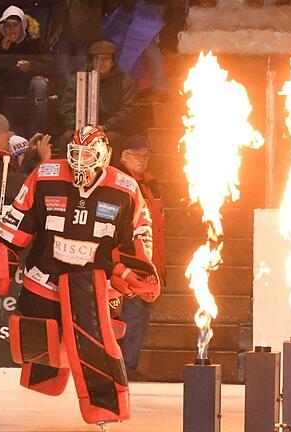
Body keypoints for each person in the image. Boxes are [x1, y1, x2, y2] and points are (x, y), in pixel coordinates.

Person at [0, 125, 161, 426]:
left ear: (103, 156)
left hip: (95, 282)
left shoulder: (126, 188)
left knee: (95, 344)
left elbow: (141, 233)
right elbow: (18, 218)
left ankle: (105, 410)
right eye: (75, 154)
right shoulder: (45, 175)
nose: (80, 161)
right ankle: (46, 378)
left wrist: (133, 270)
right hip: (45, 275)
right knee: (36, 343)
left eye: (88, 154)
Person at [113, 135, 165, 381]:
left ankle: (128, 365)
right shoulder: (118, 183)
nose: (144, 160)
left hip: (147, 263)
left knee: (141, 318)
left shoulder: (149, 185)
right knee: (131, 316)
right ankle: (124, 367)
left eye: (147, 155)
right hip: (129, 264)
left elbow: (156, 232)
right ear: (123, 156)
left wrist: (157, 269)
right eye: (138, 155)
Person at [0, 5, 53, 137]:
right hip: (3, 86)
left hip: (28, 85)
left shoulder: (33, 40)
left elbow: (50, 65)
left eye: (15, 25)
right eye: (7, 26)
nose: (10, 29)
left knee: (40, 83)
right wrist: (1, 50)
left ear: (23, 25)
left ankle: (37, 134)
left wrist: (31, 66)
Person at [59, 40, 138, 157]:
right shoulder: (78, 78)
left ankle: (110, 174)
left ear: (112, 62)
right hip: (81, 127)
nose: (101, 63)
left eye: (106, 59)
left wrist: (105, 127)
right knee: (67, 138)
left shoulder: (124, 80)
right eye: (97, 59)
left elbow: (128, 110)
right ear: (92, 61)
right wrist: (81, 128)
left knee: (112, 140)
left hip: (110, 129)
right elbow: (67, 108)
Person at [0, 112, 52, 204]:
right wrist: (44, 164)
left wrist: (30, 154)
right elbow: (24, 189)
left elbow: (19, 178)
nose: (10, 135)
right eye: (5, 131)